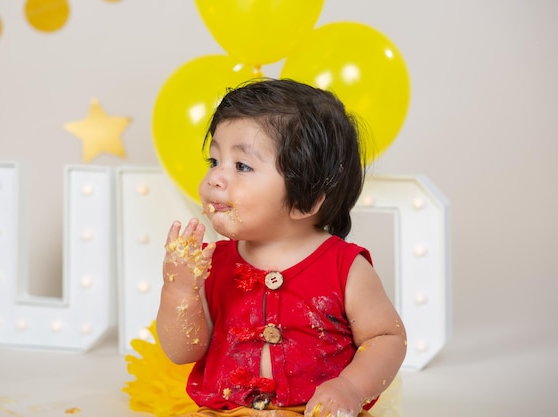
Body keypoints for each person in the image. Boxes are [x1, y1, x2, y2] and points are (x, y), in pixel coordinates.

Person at [156, 78, 406, 417]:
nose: (215, 178)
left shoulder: (344, 268)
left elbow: (386, 339)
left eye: (242, 166)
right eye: (214, 161)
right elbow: (183, 351)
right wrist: (180, 292)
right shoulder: (211, 263)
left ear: (307, 199)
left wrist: (350, 387)